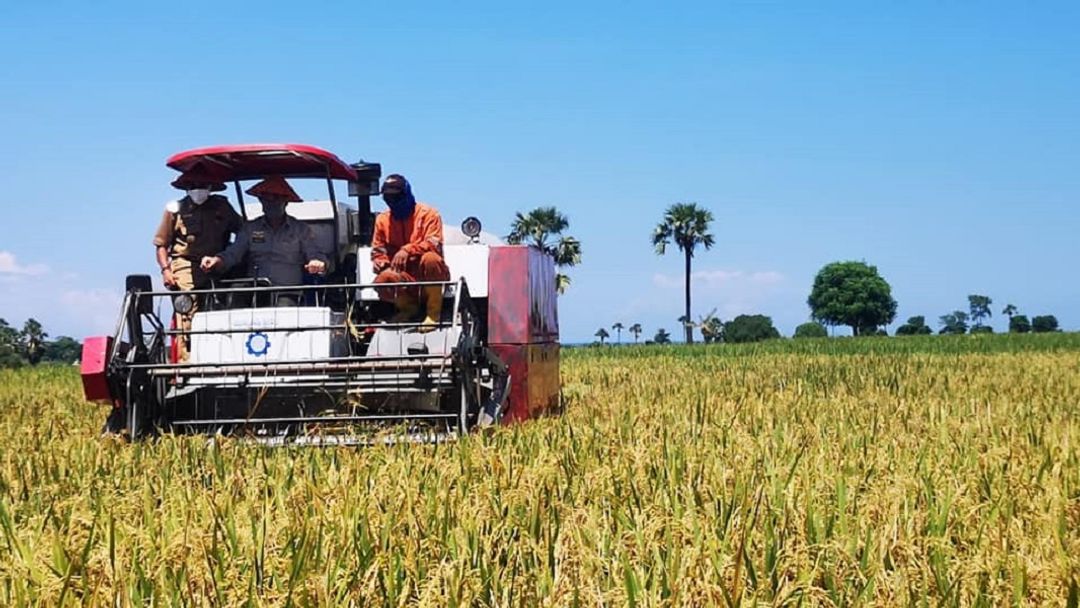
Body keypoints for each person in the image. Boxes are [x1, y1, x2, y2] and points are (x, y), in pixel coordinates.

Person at [153, 163, 242, 360]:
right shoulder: (175, 210)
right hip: (185, 264)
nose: (198, 189)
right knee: (186, 311)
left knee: (226, 307)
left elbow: (243, 233)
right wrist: (166, 270)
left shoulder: (222, 207)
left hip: (219, 265)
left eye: (202, 185)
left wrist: (225, 257)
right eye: (193, 185)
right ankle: (188, 363)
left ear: (211, 187)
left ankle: (225, 357)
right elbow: (161, 245)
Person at [200, 176, 327, 306]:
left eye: (276, 198)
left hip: (287, 293)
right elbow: (233, 254)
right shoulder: (250, 228)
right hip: (256, 291)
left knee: (284, 311)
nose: (271, 202)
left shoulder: (301, 230)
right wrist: (216, 261)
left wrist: (316, 263)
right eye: (266, 198)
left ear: (286, 201)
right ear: (261, 201)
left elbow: (316, 255)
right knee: (236, 294)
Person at [371, 174, 450, 331]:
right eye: (388, 198)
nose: (393, 202)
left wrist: (407, 250)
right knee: (383, 279)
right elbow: (377, 251)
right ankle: (408, 308)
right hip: (403, 277)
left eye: (396, 197)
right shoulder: (382, 220)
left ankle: (434, 313)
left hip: (428, 274)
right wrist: (382, 264)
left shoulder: (429, 214)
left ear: (406, 193)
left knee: (431, 259)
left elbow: (434, 244)